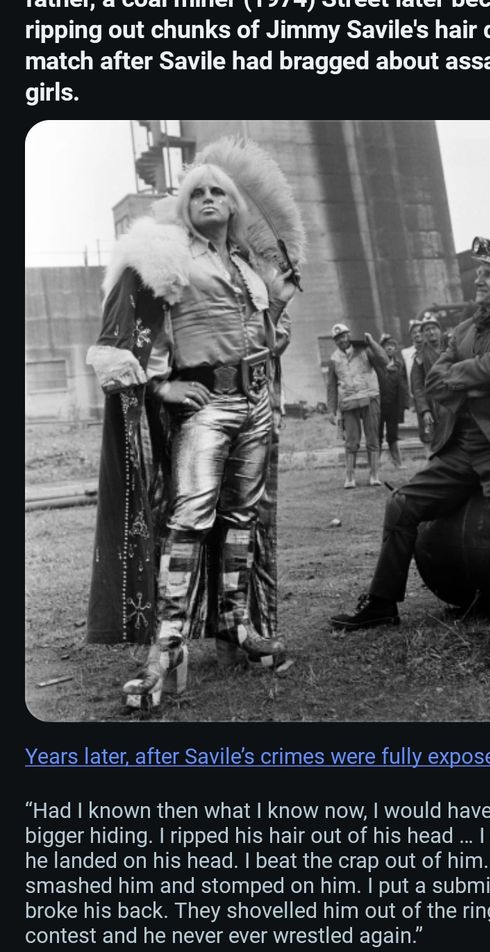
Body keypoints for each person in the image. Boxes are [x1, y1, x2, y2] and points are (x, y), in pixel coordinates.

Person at [85, 136, 305, 710]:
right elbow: (134, 331)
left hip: (254, 403)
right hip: (204, 405)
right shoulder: (166, 255)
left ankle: (235, 624)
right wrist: (162, 384)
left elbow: (257, 336)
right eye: (198, 192)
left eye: (219, 192)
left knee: (241, 516)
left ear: (233, 207)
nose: (209, 198)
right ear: (184, 205)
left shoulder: (245, 264)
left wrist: (273, 324)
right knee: (188, 517)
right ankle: (168, 644)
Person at [331, 236, 490, 668]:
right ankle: (381, 602)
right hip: (463, 446)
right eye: (481, 272)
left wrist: (469, 376)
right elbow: (435, 381)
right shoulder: (468, 329)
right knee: (401, 504)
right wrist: (477, 380)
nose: (480, 279)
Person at [327, 325, 388, 488]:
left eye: (344, 336)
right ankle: (350, 477)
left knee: (373, 437)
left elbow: (385, 361)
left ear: (349, 335)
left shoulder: (365, 350)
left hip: (370, 397)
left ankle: (374, 475)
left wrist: (373, 343)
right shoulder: (334, 359)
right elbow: (331, 386)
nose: (341, 340)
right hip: (348, 402)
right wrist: (331, 411)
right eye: (337, 338)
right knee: (351, 441)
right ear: (335, 341)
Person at [411, 312, 446, 449]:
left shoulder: (452, 348)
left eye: (434, 328)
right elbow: (417, 387)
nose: (431, 332)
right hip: (436, 404)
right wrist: (425, 410)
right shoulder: (420, 357)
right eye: (427, 330)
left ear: (440, 330)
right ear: (423, 334)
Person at [374, 334, 410, 468]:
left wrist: (405, 403)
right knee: (377, 435)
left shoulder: (399, 364)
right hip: (378, 405)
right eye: (386, 346)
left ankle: (398, 462)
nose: (389, 348)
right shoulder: (376, 364)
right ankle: (375, 463)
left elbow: (404, 384)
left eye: (392, 346)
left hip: (394, 405)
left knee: (393, 435)